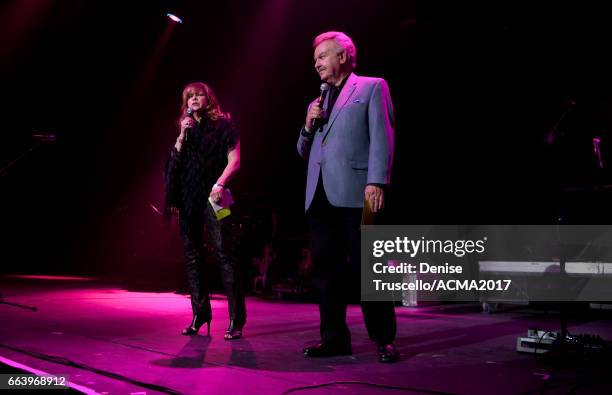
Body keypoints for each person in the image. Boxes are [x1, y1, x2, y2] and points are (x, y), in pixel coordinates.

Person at [296, 32, 399, 362]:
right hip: (320, 194)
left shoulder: (371, 86)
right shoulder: (318, 101)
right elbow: (302, 150)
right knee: (325, 269)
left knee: (369, 267)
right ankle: (334, 338)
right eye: (315, 59)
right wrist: (308, 125)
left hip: (359, 192)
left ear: (343, 56)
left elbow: (383, 135)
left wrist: (377, 181)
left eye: (323, 56)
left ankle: (383, 338)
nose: (317, 63)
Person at [165, 81, 246, 339]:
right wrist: (180, 137)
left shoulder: (224, 125)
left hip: (217, 196)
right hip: (190, 199)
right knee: (192, 256)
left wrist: (220, 183)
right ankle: (200, 313)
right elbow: (172, 168)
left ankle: (236, 318)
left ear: (208, 98)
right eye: (189, 96)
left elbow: (235, 160)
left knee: (225, 253)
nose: (194, 99)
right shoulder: (186, 130)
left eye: (199, 95)